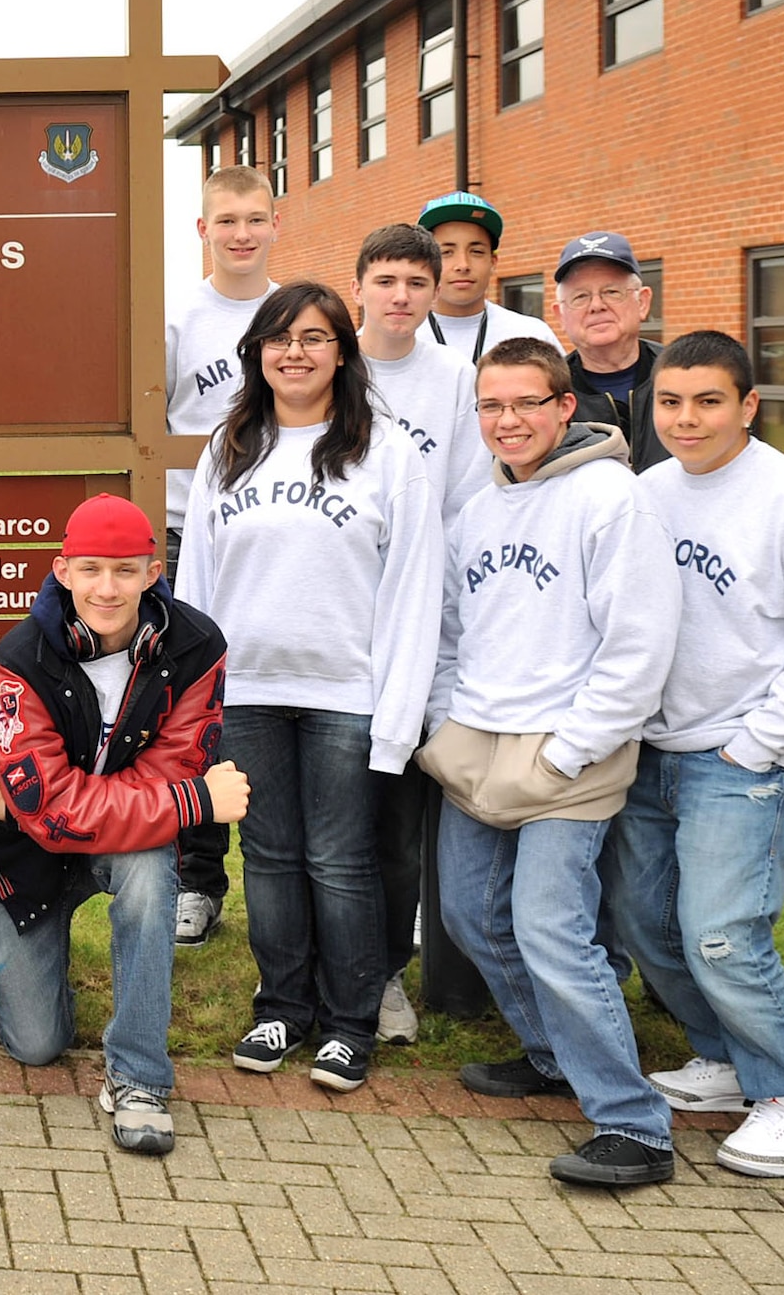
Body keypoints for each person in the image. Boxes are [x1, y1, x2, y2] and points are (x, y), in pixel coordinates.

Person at [609, 331, 784, 1178]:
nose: (688, 419)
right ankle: (724, 1056)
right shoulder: (647, 492)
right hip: (655, 746)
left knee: (721, 933)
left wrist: (754, 745)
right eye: (672, 401)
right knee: (647, 922)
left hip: (753, 752)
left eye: (709, 400)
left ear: (748, 405)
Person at [422, 337, 681, 1187]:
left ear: (567, 406)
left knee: (550, 929)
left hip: (573, 749)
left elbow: (638, 644)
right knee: (468, 913)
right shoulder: (479, 507)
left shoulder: (613, 497)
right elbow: (452, 630)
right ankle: (554, 1054)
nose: (509, 421)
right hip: (481, 745)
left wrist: (573, 747)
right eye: (492, 406)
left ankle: (634, 1124)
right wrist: (446, 721)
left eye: (528, 402)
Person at [178, 281, 442, 1094]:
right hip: (248, 692)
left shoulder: (387, 451)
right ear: (258, 351)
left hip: (347, 698)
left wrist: (397, 715)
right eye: (280, 336)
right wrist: (197, 703)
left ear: (342, 352)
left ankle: (349, 1020)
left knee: (340, 861)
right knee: (270, 856)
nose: (296, 351)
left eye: (316, 337)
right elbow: (198, 583)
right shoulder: (230, 446)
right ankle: (282, 1006)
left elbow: (413, 586)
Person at [0, 495, 247, 1155]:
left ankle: (139, 1076)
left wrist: (37, 805)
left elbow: (149, 781)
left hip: (110, 841)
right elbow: (52, 809)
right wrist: (194, 803)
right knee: (37, 1044)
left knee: (147, 871)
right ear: (62, 571)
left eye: (123, 570)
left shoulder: (198, 647)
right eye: (89, 569)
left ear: (151, 570)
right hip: (25, 856)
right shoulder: (21, 655)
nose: (106, 588)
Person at [350, 223, 488, 1046]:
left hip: (421, 627)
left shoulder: (460, 382)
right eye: (386, 279)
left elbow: (469, 505)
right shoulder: (331, 368)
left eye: (415, 281)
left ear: (435, 292)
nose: (400, 296)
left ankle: (383, 978)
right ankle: (296, 965)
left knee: (398, 819)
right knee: (325, 824)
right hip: (334, 624)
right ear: (359, 284)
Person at [163, 164, 279, 948]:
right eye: (226, 219)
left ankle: (282, 871)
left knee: (269, 703)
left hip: (280, 538)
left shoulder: (300, 311)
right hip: (185, 536)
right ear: (202, 230)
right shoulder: (177, 316)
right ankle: (197, 880)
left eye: (255, 218)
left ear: (276, 224)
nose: (241, 232)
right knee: (188, 714)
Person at [552, 231, 669, 471]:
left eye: (612, 292)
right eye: (580, 297)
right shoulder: (548, 394)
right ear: (560, 315)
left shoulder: (684, 376)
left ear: (643, 302)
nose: (596, 306)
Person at [414, 191, 561, 361]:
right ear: (425, 262)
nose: (463, 265)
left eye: (476, 252)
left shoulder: (533, 336)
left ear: (493, 261)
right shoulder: (398, 336)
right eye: (446, 252)